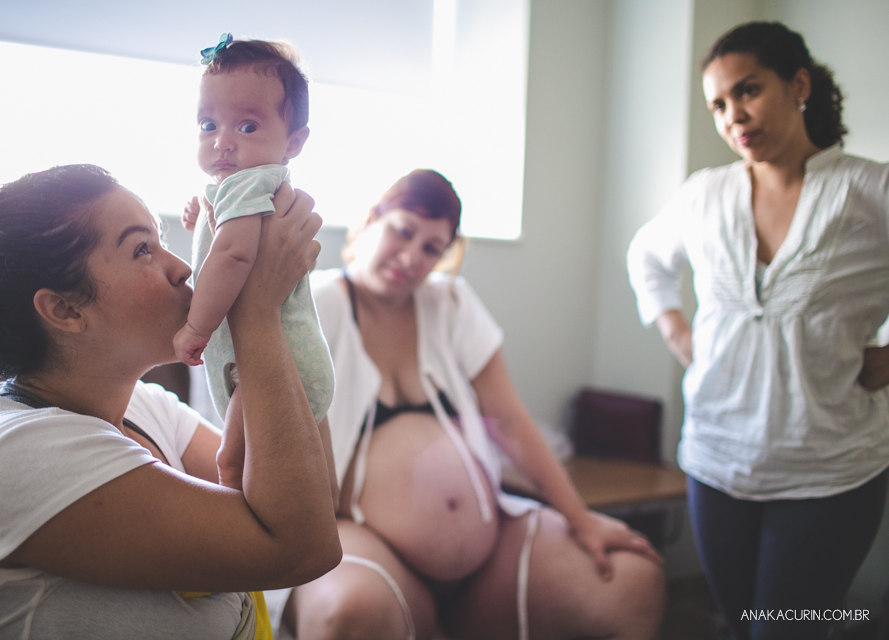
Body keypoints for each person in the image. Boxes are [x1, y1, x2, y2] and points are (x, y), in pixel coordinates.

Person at [0, 164, 341, 639]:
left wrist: (283, 306)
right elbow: (301, 546)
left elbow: (313, 498)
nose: (182, 268)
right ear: (64, 309)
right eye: (142, 249)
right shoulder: (7, 458)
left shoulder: (144, 405)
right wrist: (256, 312)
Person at [271, 169, 666, 640]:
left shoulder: (450, 304)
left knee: (634, 579)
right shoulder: (316, 306)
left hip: (489, 552)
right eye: (403, 231)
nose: (411, 258)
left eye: (431, 249)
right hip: (362, 538)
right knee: (347, 614)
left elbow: (512, 422)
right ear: (372, 218)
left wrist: (580, 520)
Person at [627, 21, 889, 640]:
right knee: (737, 623)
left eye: (748, 91)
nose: (733, 116)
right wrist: (676, 332)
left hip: (830, 471)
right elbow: (647, 258)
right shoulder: (704, 195)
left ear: (798, 85)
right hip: (717, 461)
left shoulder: (868, 189)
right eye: (718, 104)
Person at [175, 35, 334, 463]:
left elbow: (234, 256)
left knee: (233, 461)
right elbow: (224, 240)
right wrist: (200, 223)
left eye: (247, 126)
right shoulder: (244, 188)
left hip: (276, 363)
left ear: (293, 142)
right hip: (285, 359)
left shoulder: (249, 183)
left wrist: (195, 328)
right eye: (209, 125)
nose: (222, 141)